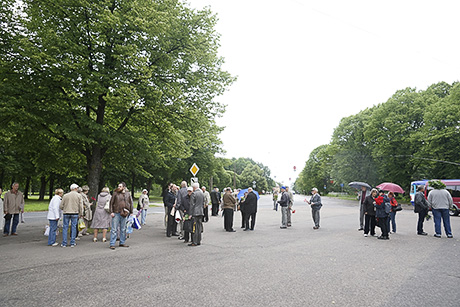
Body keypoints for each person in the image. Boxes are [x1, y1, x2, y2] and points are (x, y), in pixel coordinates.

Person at [109, 182, 133, 249]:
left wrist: (131, 211)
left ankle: (122, 242)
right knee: (114, 229)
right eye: (118, 186)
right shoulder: (115, 194)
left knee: (123, 229)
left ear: (124, 187)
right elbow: (111, 203)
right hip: (116, 212)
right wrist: (111, 212)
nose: (118, 187)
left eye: (120, 186)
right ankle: (112, 243)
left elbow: (130, 203)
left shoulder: (128, 194)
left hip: (125, 213)